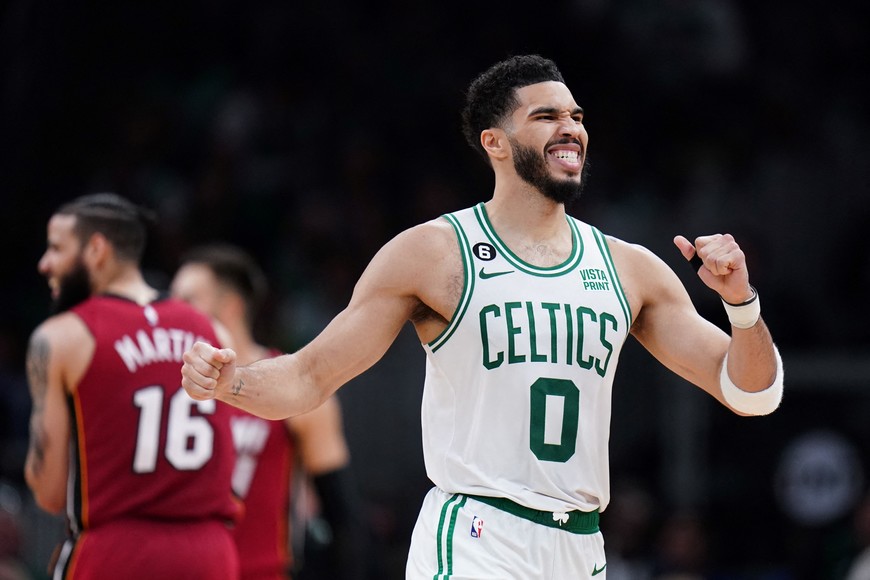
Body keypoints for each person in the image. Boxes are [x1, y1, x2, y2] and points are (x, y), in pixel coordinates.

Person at [181, 54, 784, 579]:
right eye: (546, 117)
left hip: (581, 545)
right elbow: (310, 377)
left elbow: (753, 395)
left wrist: (741, 303)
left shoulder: (630, 269)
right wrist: (230, 382)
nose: (570, 129)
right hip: (476, 534)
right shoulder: (434, 253)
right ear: (495, 142)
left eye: (576, 116)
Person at [25, 193, 241, 579]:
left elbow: (50, 491)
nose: (45, 264)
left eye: (56, 248)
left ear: (96, 250)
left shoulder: (60, 337)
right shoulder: (213, 330)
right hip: (211, 554)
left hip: (116, 553)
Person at [170, 243, 367, 580]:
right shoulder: (163, 384)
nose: (174, 311)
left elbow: (341, 515)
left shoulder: (292, 386)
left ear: (230, 307)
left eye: (188, 300)